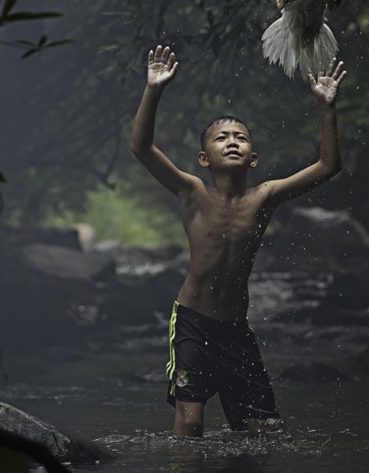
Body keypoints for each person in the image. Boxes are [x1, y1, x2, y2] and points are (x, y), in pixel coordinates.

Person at [130, 43, 347, 437]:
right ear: (203, 158)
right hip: (193, 322)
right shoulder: (192, 193)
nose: (232, 141)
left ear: (253, 158)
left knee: (264, 431)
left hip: (234, 328)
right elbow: (141, 148)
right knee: (191, 422)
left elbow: (328, 166)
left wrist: (326, 107)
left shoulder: (263, 197)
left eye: (241, 138)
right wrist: (154, 89)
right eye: (221, 138)